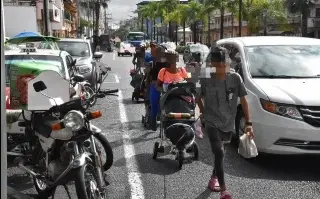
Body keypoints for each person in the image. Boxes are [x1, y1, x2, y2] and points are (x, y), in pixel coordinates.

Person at [196, 47, 254, 199]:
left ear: (227, 62)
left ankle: (214, 178)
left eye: (223, 64)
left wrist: (249, 123)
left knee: (220, 156)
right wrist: (203, 112)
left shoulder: (235, 78)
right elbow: (197, 97)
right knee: (219, 151)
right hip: (211, 120)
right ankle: (224, 190)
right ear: (211, 64)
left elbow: (243, 100)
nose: (221, 67)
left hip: (229, 122)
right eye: (217, 64)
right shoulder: (205, 77)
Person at [148, 44, 167, 131]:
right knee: (156, 106)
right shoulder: (153, 62)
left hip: (159, 86)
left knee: (155, 106)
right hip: (160, 86)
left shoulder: (154, 62)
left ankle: (154, 124)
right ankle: (154, 123)